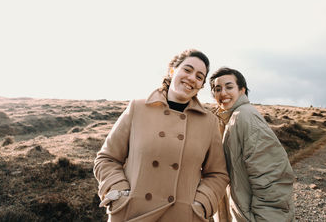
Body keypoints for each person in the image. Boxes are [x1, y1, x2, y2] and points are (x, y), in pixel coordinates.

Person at [94, 49, 229, 222]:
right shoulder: (138, 108)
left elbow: (218, 174)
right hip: (132, 213)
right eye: (187, 70)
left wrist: (200, 204)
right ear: (172, 70)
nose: (191, 78)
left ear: (201, 85)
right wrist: (119, 192)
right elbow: (107, 158)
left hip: (182, 216)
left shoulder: (208, 122)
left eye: (199, 76)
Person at [209, 67, 295, 222]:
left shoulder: (245, 117)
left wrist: (265, 218)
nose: (223, 93)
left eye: (229, 87)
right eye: (217, 89)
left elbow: (272, 177)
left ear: (242, 90)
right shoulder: (230, 118)